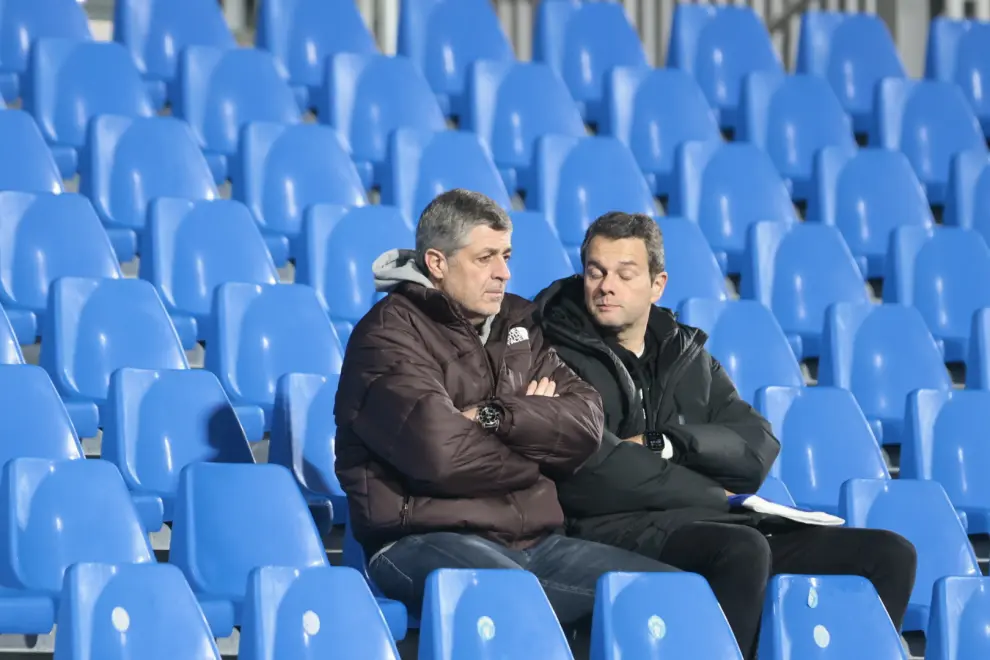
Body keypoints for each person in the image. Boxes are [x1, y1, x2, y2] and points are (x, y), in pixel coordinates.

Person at [534, 211, 918, 656]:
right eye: (596, 272)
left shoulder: (686, 355)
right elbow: (591, 470)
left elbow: (755, 448)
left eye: (625, 273)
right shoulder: (550, 352)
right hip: (606, 528)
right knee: (740, 549)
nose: (606, 286)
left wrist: (671, 443)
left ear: (658, 285)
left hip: (703, 519)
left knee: (888, 554)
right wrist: (713, 493)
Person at [334, 191, 677, 626]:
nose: (503, 273)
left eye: (506, 256)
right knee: (514, 600)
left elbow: (587, 424)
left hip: (535, 541)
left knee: (672, 595)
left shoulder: (520, 321)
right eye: (485, 258)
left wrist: (498, 416)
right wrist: (542, 452)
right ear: (437, 263)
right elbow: (444, 457)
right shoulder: (387, 337)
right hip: (421, 538)